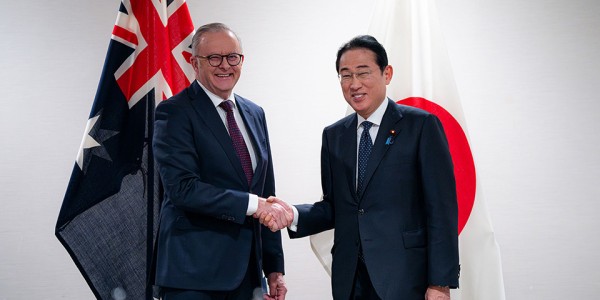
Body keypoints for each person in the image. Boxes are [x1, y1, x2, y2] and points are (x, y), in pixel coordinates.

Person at [258, 35, 459, 299]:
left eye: (363, 73)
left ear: (387, 74)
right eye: (345, 75)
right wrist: (292, 214)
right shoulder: (334, 136)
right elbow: (335, 206)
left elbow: (441, 209)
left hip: (406, 277)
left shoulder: (421, 126)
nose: (354, 84)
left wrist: (440, 282)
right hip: (350, 278)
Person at [153, 23, 289, 300]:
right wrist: (253, 205)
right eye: (213, 57)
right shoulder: (174, 113)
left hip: (248, 274)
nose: (224, 65)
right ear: (195, 63)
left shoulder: (254, 113)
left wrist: (274, 266)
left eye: (232, 57)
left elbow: (267, 193)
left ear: (241, 60)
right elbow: (183, 189)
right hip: (193, 275)